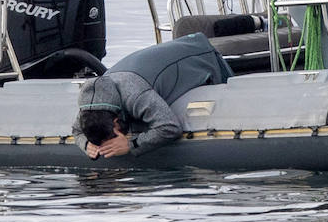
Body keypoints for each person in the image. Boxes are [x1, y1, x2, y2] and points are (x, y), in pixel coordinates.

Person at [74, 32, 232, 160]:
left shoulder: (135, 95)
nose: (106, 145)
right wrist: (87, 144)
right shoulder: (89, 106)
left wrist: (131, 145)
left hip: (201, 54)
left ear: (116, 122)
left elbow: (170, 127)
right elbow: (76, 131)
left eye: (108, 138)